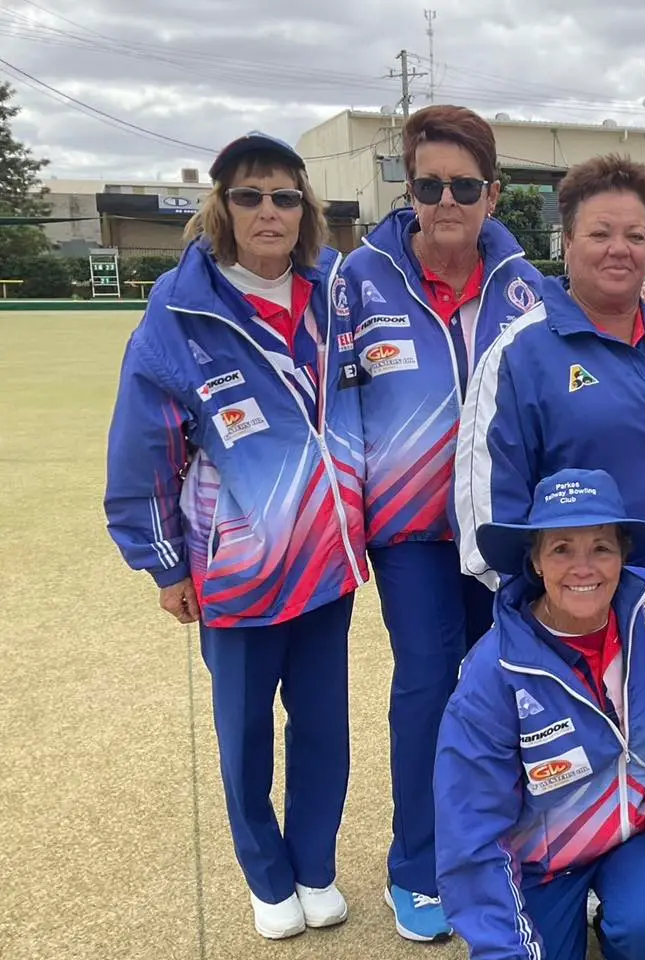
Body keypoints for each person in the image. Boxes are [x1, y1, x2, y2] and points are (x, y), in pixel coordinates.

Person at [103, 132, 365, 940]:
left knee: (323, 728)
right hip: (239, 576)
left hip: (326, 563)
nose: (268, 211)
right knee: (245, 733)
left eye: (285, 196)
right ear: (221, 206)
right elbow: (144, 447)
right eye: (249, 195)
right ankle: (267, 876)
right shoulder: (180, 313)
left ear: (305, 211)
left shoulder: (334, 297)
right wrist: (162, 565)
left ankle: (314, 865)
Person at [339, 104, 544, 942]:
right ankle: (417, 864)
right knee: (428, 683)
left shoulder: (528, 283)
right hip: (413, 532)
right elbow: (333, 407)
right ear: (410, 188)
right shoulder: (358, 279)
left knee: (513, 684)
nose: (447, 199)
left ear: (491, 194)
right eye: (430, 184)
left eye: (464, 185)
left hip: (499, 529)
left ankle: (516, 849)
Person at [434, 468, 645, 960]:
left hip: (635, 839)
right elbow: (469, 833)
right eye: (561, 548)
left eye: (601, 547)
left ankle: (623, 924)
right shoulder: (492, 673)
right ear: (536, 561)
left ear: (624, 553)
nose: (584, 567)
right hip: (541, 865)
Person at [454, 155, 645, 590]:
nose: (619, 248)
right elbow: (487, 517)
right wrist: (550, 612)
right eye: (600, 233)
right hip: (593, 618)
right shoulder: (519, 353)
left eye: (635, 236)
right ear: (567, 241)